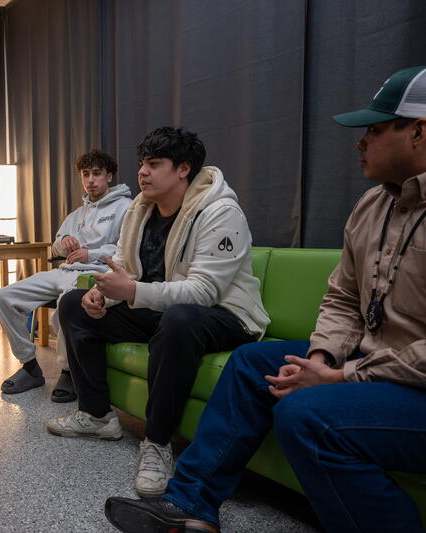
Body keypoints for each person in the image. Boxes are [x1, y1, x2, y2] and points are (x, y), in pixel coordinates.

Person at [105, 66, 426, 533]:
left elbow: (202, 291)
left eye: (374, 131)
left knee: (303, 413)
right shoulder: (372, 206)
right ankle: (191, 507)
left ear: (418, 130)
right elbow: (341, 298)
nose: (360, 143)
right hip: (369, 360)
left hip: (411, 381)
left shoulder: (218, 212)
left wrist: (341, 376)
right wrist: (319, 357)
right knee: (252, 363)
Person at [47, 127, 269, 499]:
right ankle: (97, 415)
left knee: (180, 317)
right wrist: (104, 295)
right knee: (73, 301)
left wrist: (131, 291)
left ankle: (157, 442)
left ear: (183, 169)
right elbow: (123, 265)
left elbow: (203, 292)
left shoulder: (220, 212)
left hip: (223, 314)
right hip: (161, 309)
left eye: (153, 164)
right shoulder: (141, 209)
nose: (142, 173)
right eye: (141, 164)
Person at [0, 149, 131, 401]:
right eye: (85, 174)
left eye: (97, 174)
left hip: (96, 274)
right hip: (65, 270)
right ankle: (30, 367)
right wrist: (64, 241)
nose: (91, 180)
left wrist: (90, 254)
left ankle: (69, 372)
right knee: (4, 296)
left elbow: (126, 249)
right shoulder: (77, 213)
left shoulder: (127, 208)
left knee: (64, 308)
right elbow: (56, 245)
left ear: (109, 176)